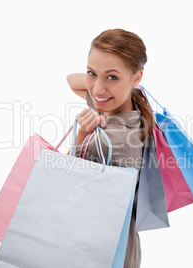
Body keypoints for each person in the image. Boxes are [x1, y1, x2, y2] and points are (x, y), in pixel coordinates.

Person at [66, 28, 154, 268]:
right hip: (124, 251)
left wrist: (81, 137)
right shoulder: (134, 105)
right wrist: (107, 77)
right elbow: (72, 80)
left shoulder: (112, 141)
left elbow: (63, 190)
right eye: (91, 73)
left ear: (137, 77)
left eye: (112, 77)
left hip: (98, 256)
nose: (96, 90)